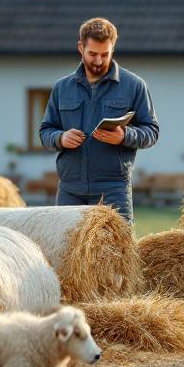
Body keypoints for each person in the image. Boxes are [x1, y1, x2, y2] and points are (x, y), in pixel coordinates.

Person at [39, 17, 159, 223]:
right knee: (66, 252)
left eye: (105, 54)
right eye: (92, 54)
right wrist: (60, 138)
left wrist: (125, 136)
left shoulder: (134, 85)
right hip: (70, 189)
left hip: (113, 189)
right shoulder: (62, 87)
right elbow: (45, 131)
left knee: (117, 253)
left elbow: (152, 131)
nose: (98, 61)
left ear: (113, 48)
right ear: (80, 47)